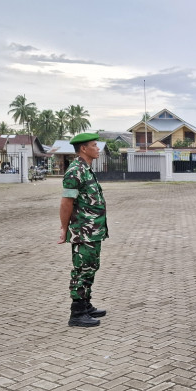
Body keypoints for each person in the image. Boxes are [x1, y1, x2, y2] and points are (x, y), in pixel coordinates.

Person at [58, 132, 108, 328]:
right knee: (82, 269)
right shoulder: (75, 170)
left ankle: (86, 305)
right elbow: (66, 202)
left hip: (93, 230)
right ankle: (77, 313)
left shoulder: (86, 169)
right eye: (94, 145)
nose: (98, 148)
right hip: (83, 231)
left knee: (90, 267)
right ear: (83, 149)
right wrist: (64, 228)